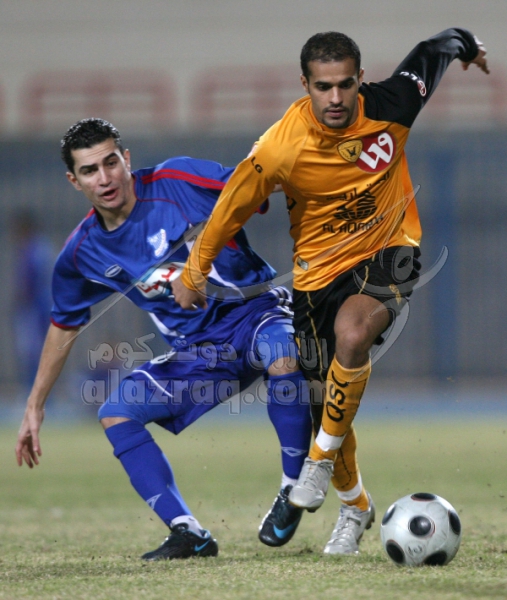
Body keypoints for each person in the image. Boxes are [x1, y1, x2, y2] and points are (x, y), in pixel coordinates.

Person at [172, 28, 489, 556]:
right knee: (324, 405)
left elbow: (434, 50)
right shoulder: (280, 147)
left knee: (353, 334)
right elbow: (231, 206)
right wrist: (194, 270)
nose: (336, 97)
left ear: (360, 79)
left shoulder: (392, 104)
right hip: (317, 275)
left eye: (345, 84)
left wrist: (468, 45)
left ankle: (315, 463)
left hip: (391, 248)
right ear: (305, 85)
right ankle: (356, 508)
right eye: (324, 87)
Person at [15, 118, 313, 560]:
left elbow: (255, 185)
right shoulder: (82, 252)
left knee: (282, 352)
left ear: (126, 159)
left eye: (110, 163)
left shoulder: (178, 179)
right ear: (74, 181)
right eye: (90, 170)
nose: (104, 178)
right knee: (116, 412)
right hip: (198, 353)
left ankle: (293, 489)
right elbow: (64, 325)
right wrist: (35, 405)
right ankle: (188, 532)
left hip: (256, 311)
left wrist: (202, 258)